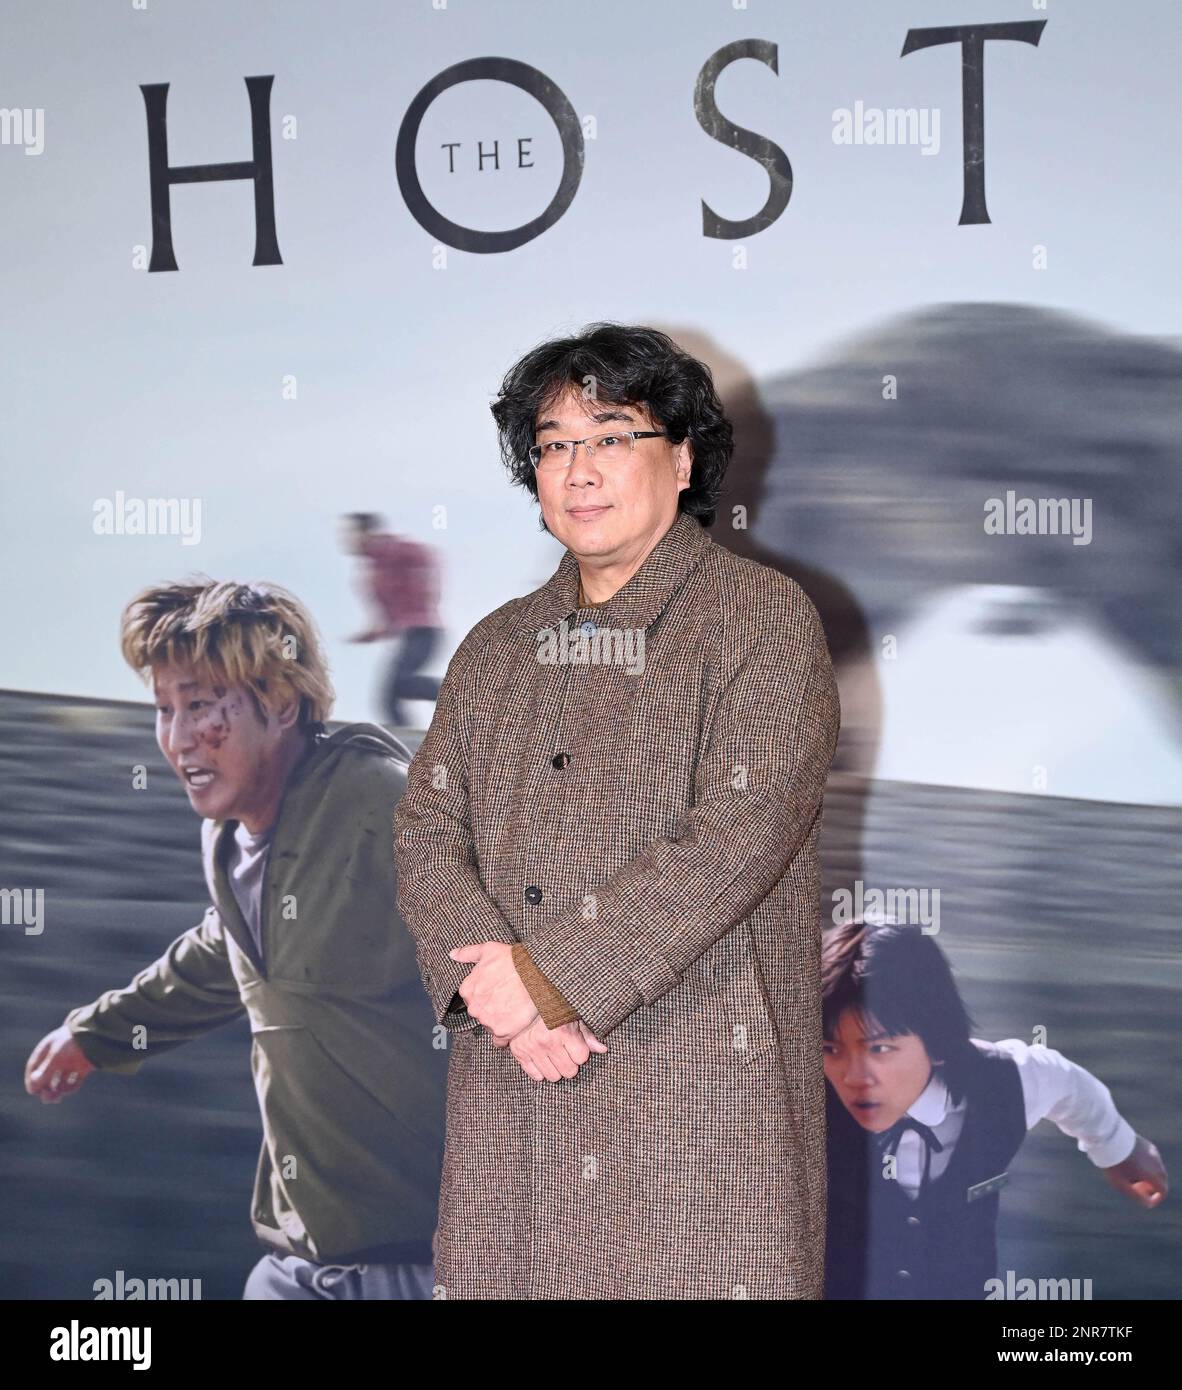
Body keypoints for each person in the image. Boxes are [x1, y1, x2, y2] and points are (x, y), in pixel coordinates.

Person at [393, 322, 842, 1298]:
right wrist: (501, 992)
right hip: (512, 1119)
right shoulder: (495, 645)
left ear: (681, 459)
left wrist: (552, 979)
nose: (578, 468)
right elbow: (426, 824)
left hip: (695, 1126)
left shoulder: (760, 617)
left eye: (610, 436)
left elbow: (738, 831)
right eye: (554, 444)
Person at [24, 578, 447, 1300]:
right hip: (303, 1259)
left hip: (429, 1262)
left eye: (199, 706)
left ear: (281, 702)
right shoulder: (231, 840)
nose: (178, 738)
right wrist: (98, 1034)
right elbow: (230, 950)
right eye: (164, 709)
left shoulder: (381, 806)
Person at [822, 915, 1168, 1299]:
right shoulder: (794, 1103)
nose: (855, 1076)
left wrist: (1117, 1147)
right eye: (830, 1049)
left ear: (935, 1038)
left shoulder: (1004, 1083)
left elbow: (1066, 1083)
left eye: (879, 1049)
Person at [341, 513, 442, 728]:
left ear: (366, 532)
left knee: (400, 684)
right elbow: (389, 614)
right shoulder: (372, 569)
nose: (346, 540)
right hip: (411, 633)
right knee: (389, 696)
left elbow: (427, 557)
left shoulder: (393, 550)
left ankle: (462, 693)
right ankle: (408, 741)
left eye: (350, 533)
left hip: (425, 631)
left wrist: (423, 595)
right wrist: (371, 633)